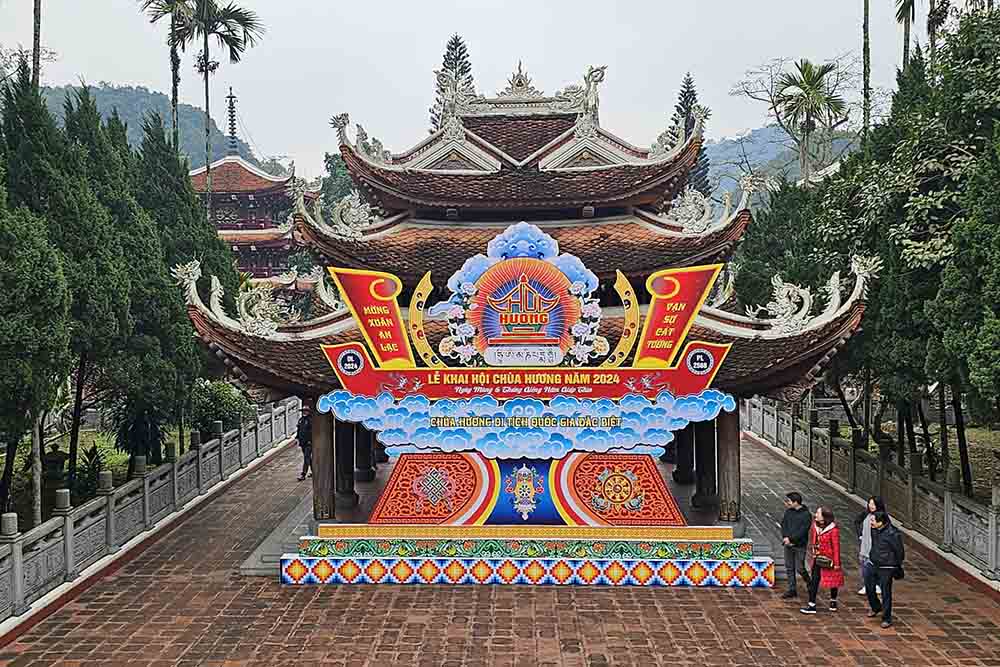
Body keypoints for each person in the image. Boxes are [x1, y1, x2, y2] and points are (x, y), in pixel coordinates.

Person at [801, 506, 844, 614]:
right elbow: (814, 540)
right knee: (814, 580)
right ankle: (812, 604)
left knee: (833, 580)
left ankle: (833, 600)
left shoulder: (833, 530)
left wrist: (836, 563)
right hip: (817, 558)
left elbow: (836, 547)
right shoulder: (815, 526)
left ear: (824, 517)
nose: (815, 515)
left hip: (829, 559)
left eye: (818, 513)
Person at [866, 510, 904, 628]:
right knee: (869, 587)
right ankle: (876, 607)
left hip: (886, 567)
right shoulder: (874, 529)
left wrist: (895, 565)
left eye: (873, 521)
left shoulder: (893, 534)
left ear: (881, 522)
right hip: (873, 563)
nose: (871, 523)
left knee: (886, 592)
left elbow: (899, 552)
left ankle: (887, 618)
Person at [780, 491, 813, 599]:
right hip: (788, 544)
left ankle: (809, 582)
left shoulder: (806, 515)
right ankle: (792, 589)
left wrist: (791, 539)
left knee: (800, 568)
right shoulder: (788, 512)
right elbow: (784, 524)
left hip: (799, 545)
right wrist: (785, 537)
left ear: (795, 502)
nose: (787, 503)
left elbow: (803, 531)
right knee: (789, 567)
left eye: (789, 501)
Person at [854, 496, 886, 596]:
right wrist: (860, 534)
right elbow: (857, 521)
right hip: (865, 545)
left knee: (875, 566)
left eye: (873, 504)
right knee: (865, 566)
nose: (871, 506)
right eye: (870, 503)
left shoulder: (882, 516)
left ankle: (877, 584)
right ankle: (866, 585)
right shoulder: (865, 514)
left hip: (876, 546)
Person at [296, 409, 313, 481]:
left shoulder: (310, 420)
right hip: (302, 442)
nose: (304, 412)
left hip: (309, 443)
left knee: (306, 458)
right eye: (303, 411)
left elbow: (312, 431)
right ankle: (314, 471)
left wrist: (310, 440)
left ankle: (303, 474)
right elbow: (299, 430)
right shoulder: (301, 420)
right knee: (308, 458)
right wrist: (297, 438)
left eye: (306, 411)